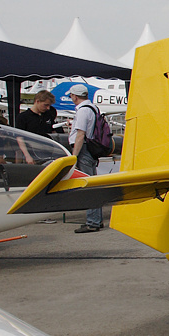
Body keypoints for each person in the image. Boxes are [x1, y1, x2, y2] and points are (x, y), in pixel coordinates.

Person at [67, 84, 103, 233]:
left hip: (84, 150)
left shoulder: (82, 111)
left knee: (87, 184)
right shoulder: (93, 108)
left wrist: (74, 156)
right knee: (92, 183)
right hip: (91, 148)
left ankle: (93, 221)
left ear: (75, 96)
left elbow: (80, 134)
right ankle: (95, 219)